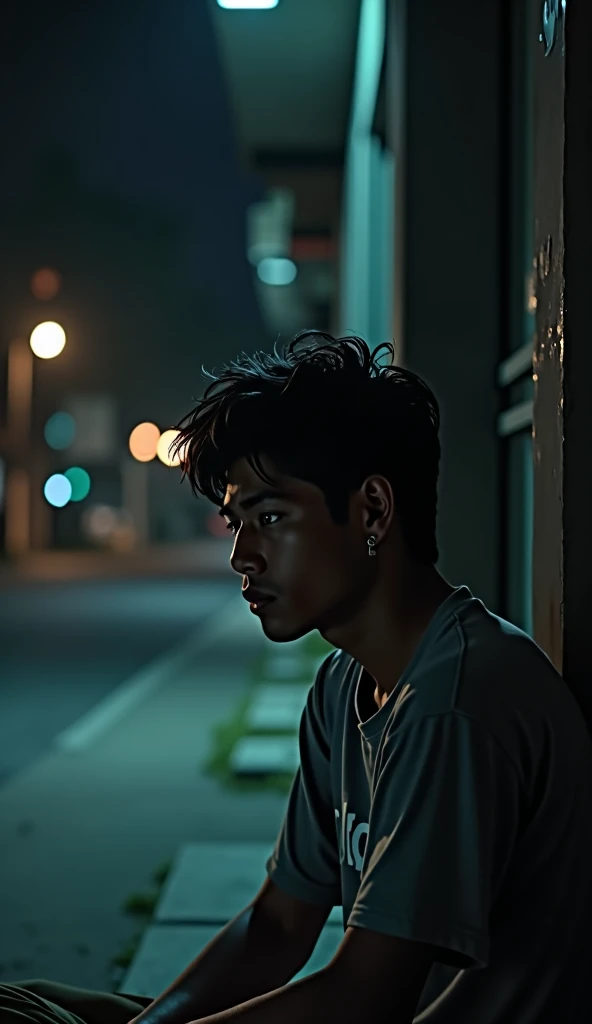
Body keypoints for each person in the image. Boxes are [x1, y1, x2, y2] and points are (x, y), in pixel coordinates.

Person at [4, 331, 592, 1023]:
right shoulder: (345, 687)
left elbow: (364, 995)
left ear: (372, 510)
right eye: (235, 523)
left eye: (271, 517)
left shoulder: (456, 702)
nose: (242, 556)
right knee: (28, 1008)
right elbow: (280, 924)